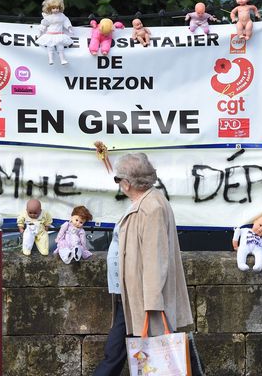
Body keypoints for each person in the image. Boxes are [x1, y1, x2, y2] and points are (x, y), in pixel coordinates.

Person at [94, 153, 195, 376]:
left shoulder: (152, 208)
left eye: (118, 179)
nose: (119, 184)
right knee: (120, 353)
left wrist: (152, 303)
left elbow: (154, 257)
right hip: (131, 297)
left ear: (127, 183)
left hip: (142, 300)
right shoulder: (146, 202)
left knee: (126, 354)